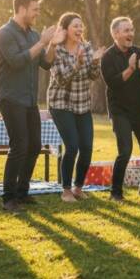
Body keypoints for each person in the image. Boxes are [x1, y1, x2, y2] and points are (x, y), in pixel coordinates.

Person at [0, 0, 64, 212]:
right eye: (34, 9)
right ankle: (8, 197)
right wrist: (42, 41)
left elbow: (45, 63)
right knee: (19, 145)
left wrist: (51, 44)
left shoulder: (34, 35)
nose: (37, 13)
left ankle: (22, 192)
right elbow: (16, 61)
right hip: (11, 97)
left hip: (29, 99)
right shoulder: (5, 33)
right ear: (22, 8)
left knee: (34, 144)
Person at [47, 12, 105, 203]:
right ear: (65, 29)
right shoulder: (57, 50)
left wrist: (95, 62)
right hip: (61, 103)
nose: (79, 30)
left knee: (86, 147)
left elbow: (93, 76)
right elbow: (62, 79)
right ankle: (65, 190)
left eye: (81, 26)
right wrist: (77, 64)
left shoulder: (87, 47)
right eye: (75, 26)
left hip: (82, 103)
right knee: (72, 146)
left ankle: (78, 187)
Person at [100, 16, 140, 201]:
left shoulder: (139, 51)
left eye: (131, 30)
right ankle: (116, 192)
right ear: (116, 34)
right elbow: (113, 83)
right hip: (119, 110)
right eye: (126, 30)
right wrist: (131, 69)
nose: (130, 33)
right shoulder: (107, 57)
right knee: (125, 151)